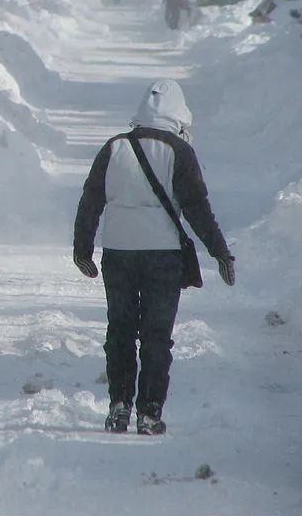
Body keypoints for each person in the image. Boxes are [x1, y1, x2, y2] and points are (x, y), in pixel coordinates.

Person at [73, 79, 235, 436]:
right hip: (163, 256)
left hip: (118, 253)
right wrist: (220, 251)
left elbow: (91, 201)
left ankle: (118, 406)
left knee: (120, 330)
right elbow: (197, 209)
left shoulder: (113, 148)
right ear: (180, 114)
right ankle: (149, 413)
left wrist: (82, 249)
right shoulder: (179, 151)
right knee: (156, 336)